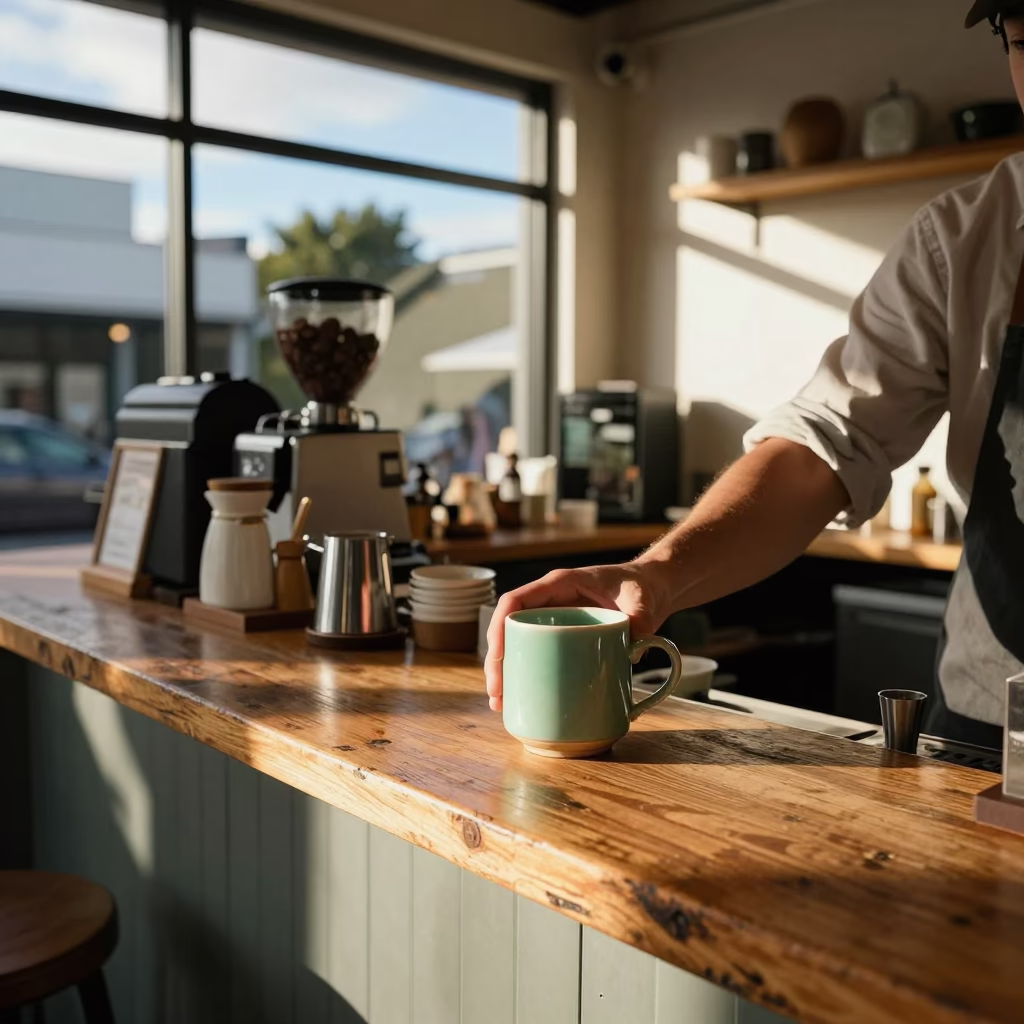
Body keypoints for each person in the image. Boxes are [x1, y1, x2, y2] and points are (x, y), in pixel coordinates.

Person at [486, 0, 1024, 749]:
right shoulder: (966, 241)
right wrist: (659, 573)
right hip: (990, 724)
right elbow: (823, 444)